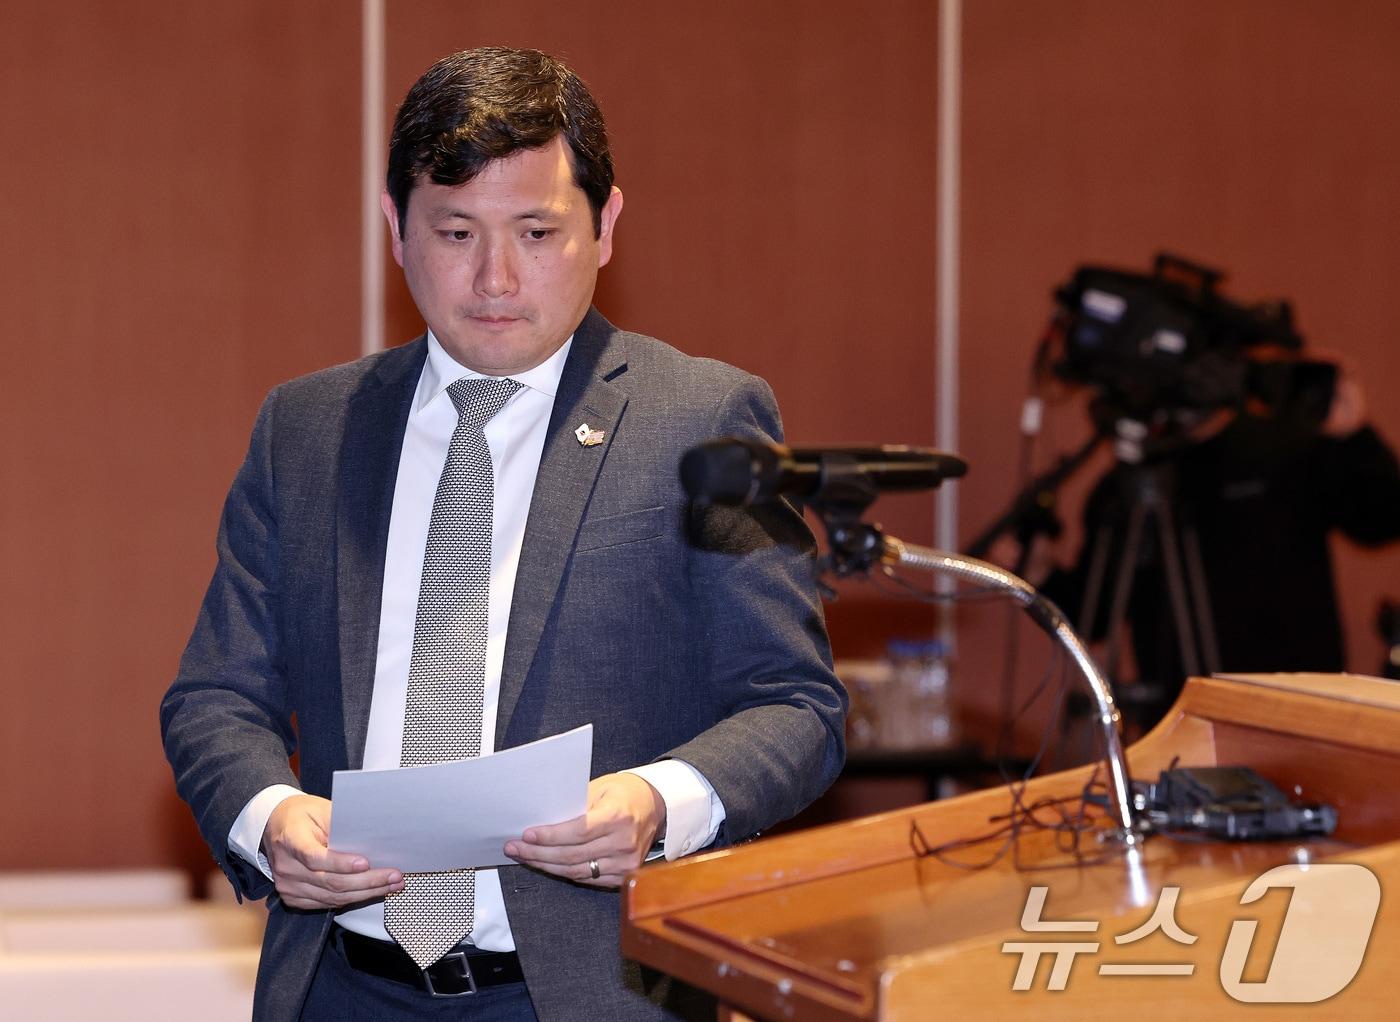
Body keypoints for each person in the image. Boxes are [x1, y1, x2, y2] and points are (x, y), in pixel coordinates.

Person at [161, 47, 846, 1022]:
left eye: (535, 230)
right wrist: (270, 817)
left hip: (583, 991)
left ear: (605, 227)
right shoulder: (308, 430)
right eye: (455, 231)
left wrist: (656, 801)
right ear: (396, 229)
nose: (493, 276)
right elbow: (214, 695)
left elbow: (796, 706)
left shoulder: (697, 417)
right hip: (340, 985)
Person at [1009, 352, 1400, 722]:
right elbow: (1094, 613)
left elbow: (1382, 519)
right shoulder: (1128, 489)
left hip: (1299, 713)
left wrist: (1356, 438)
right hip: (1182, 726)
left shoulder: (1286, 450)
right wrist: (1043, 578)